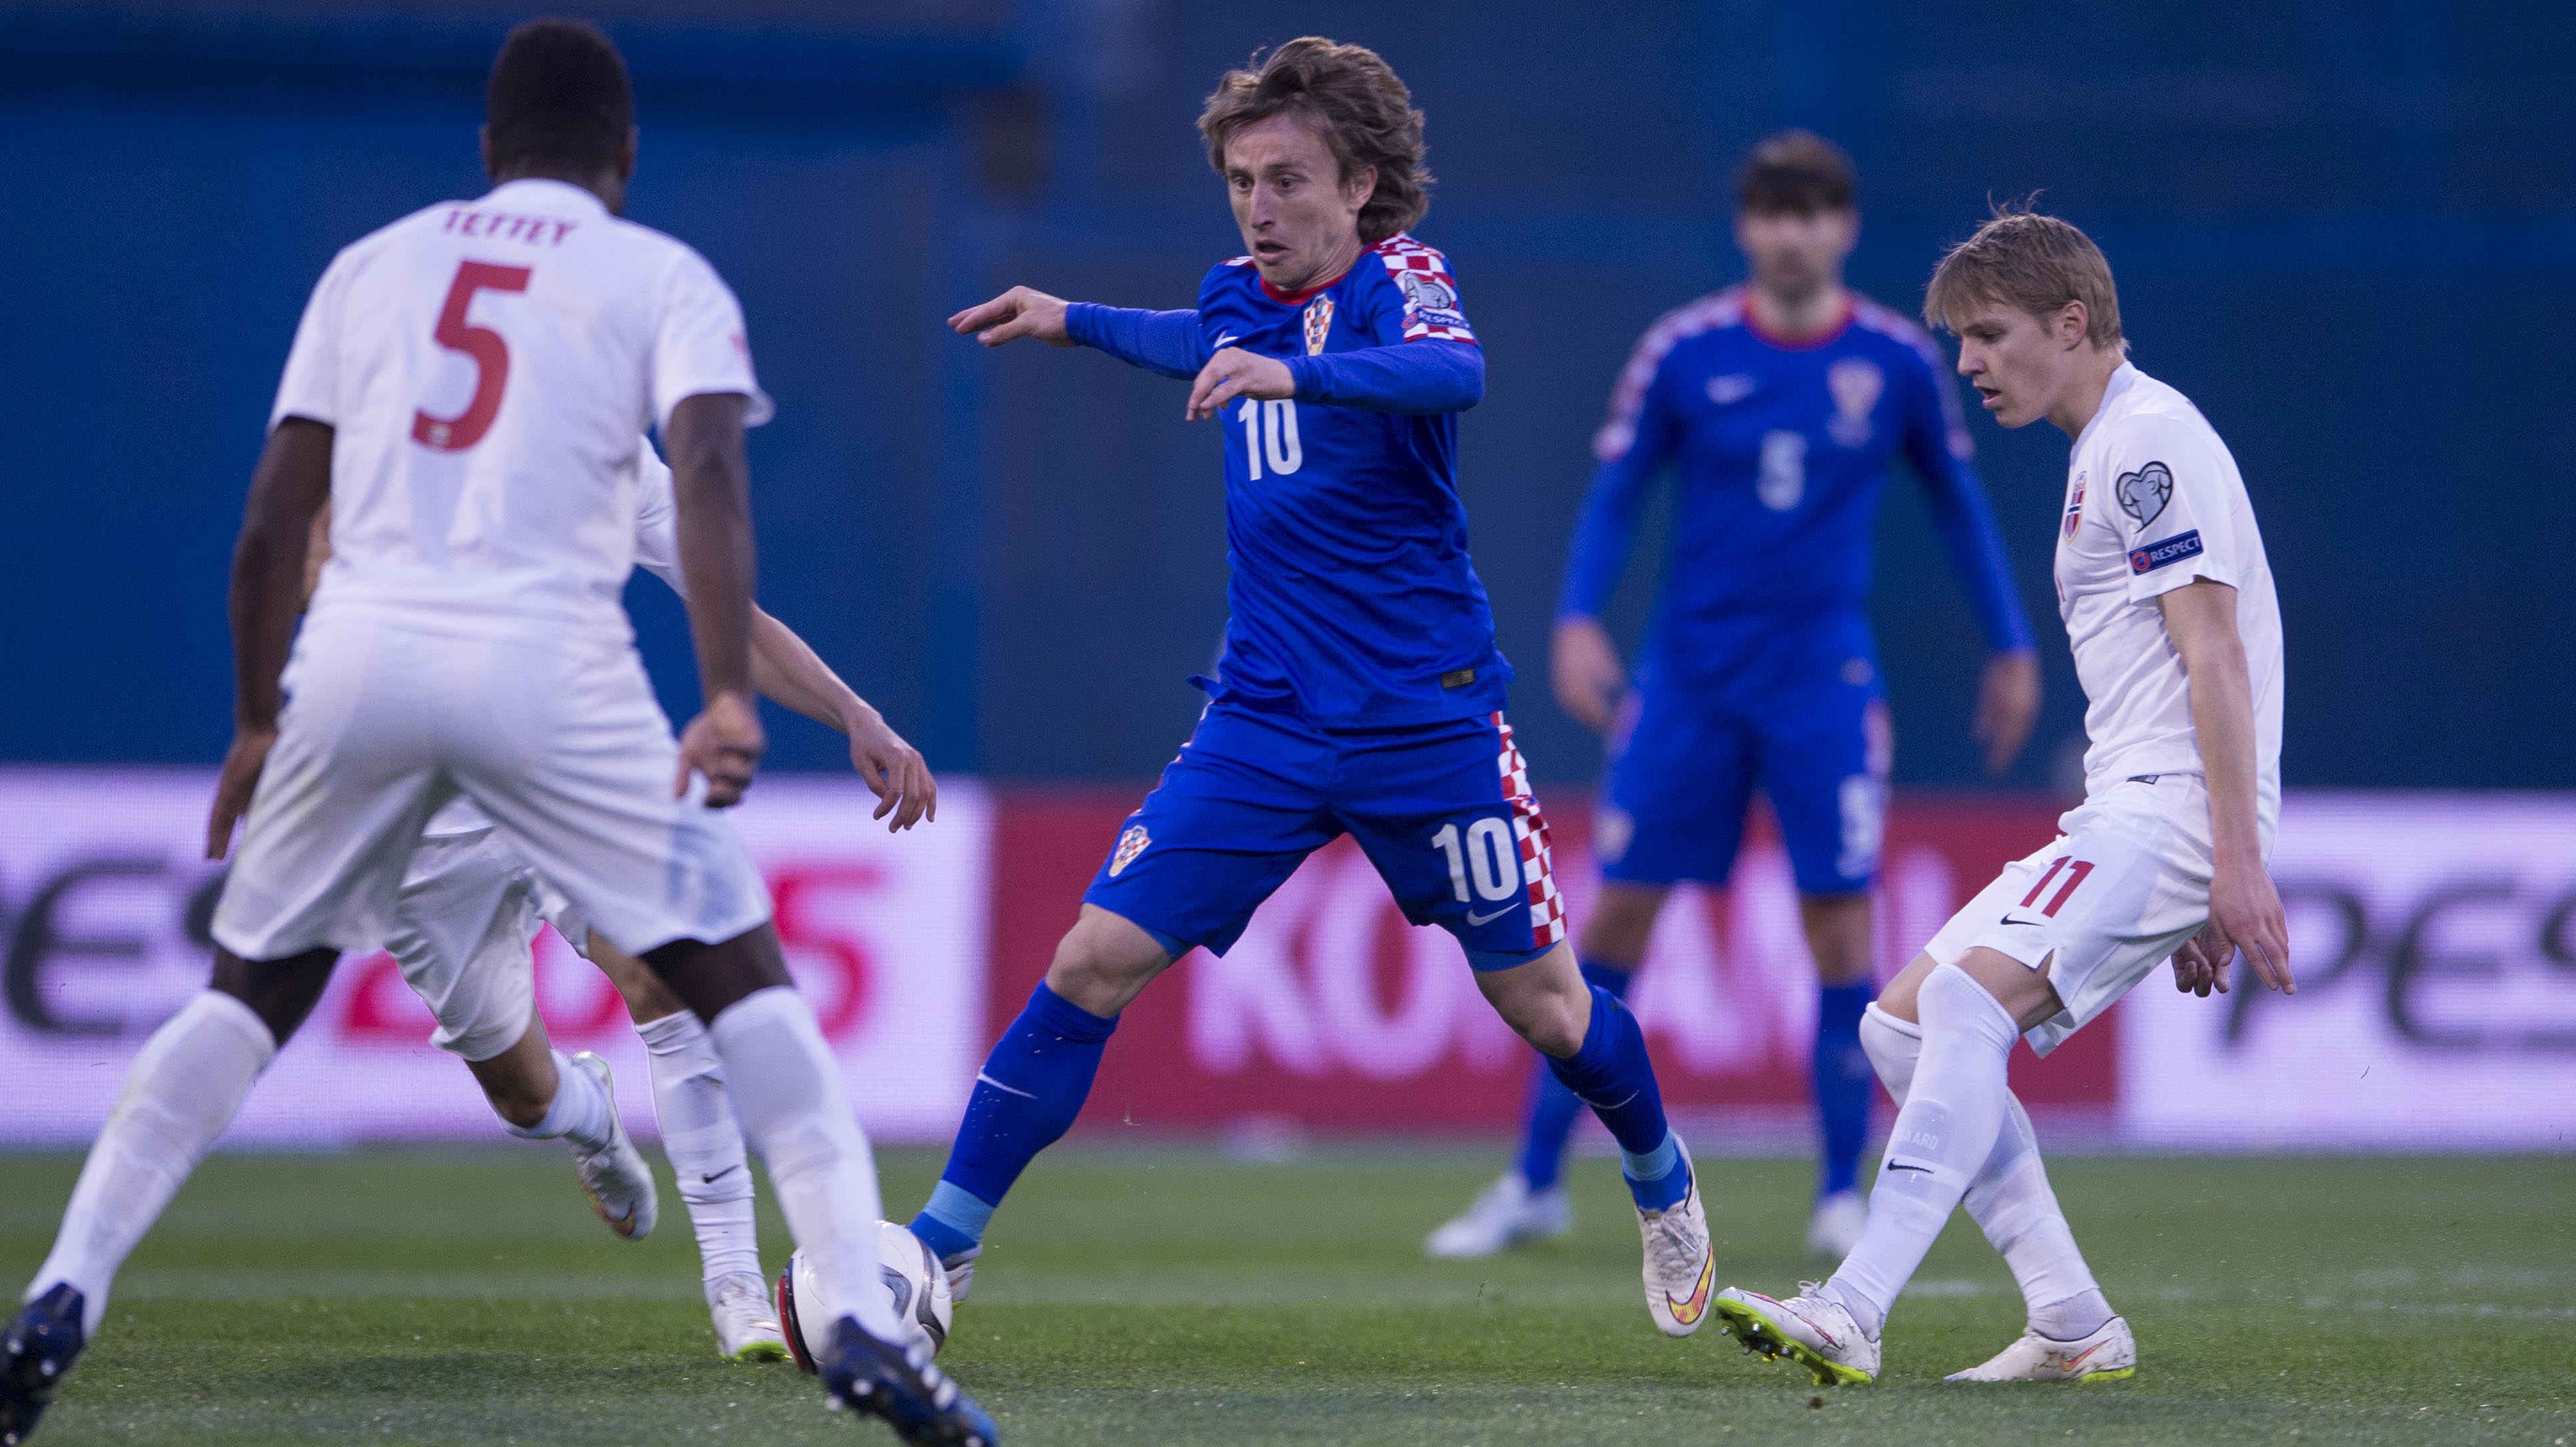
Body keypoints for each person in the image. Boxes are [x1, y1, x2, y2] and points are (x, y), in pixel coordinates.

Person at [0, 22, 993, 1447]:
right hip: (546, 678)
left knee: (245, 999)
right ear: (624, 157)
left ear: (489, 151)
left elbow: (270, 521)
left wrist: (257, 719)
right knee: (729, 990)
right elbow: (711, 489)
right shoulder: (656, 279)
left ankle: (63, 1293)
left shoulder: (370, 270)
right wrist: (728, 701)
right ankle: (855, 1320)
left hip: (363, 675)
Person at [904, 36, 1717, 1343]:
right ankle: (936, 1254)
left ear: (1359, 185)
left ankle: (1659, 1177)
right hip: (1265, 722)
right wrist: (1074, 319)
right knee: (1091, 958)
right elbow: (1202, 338)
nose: (1259, 207)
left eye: (1286, 179)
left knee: (1548, 1007)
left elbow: (1457, 374)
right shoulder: (1235, 297)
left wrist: (1296, 370)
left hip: (1427, 723)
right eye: (1241, 181)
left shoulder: (1404, 281)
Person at [1427, 131, 2039, 1264]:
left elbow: (1957, 502)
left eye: (1812, 213)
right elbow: (1617, 490)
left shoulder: (1898, 361)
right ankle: (1533, 1182)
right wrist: (1576, 617)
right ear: (1746, 228)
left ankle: (1840, 1191)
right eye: (1771, 213)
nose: (1790, 234)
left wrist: (2009, 643)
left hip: (1822, 684)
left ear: (1844, 228)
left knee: (1841, 926)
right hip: (1689, 682)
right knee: (1612, 921)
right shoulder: (1684, 350)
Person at [1713, 206, 2291, 1385]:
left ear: (2070, 323)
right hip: (2141, 806)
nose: (1969, 362)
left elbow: (2216, 656)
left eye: (1989, 335)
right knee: (1898, 1027)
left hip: (2171, 803)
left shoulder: (2146, 443)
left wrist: (2231, 862)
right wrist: (2195, 883)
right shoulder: (2108, 444)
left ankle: (1853, 1307)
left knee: (1965, 1006)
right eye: (1963, 340)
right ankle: (2071, 1317)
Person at [360, 442, 939, 1363]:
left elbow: (730, 615)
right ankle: (587, 1117)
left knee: (665, 978)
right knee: (522, 1096)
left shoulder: (600, 444)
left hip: (567, 765)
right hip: (423, 810)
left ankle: (735, 1286)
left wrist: (855, 713)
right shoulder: (390, 435)